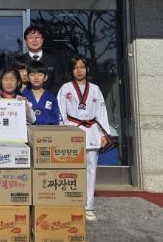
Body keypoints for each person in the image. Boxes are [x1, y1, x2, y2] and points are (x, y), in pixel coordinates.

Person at [57, 56, 112, 221]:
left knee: (91, 169)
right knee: (70, 169)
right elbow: (61, 112)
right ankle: (70, 202)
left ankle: (88, 206)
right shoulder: (65, 88)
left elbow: (101, 112)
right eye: (75, 68)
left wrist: (104, 133)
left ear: (87, 69)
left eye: (82, 67)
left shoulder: (95, 89)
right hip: (72, 129)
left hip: (92, 130)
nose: (79, 70)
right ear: (71, 70)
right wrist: (63, 132)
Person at [18, 25, 62, 93]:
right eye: (31, 37)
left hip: (49, 98)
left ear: (43, 40)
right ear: (26, 40)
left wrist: (46, 97)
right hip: (24, 98)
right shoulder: (19, 61)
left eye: (37, 37)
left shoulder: (53, 61)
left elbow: (58, 83)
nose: (34, 40)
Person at [21, 60, 60, 125]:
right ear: (27, 77)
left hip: (48, 130)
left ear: (45, 77)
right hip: (29, 130)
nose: (36, 78)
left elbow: (56, 119)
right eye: (32, 75)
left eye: (40, 75)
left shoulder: (51, 98)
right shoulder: (23, 96)